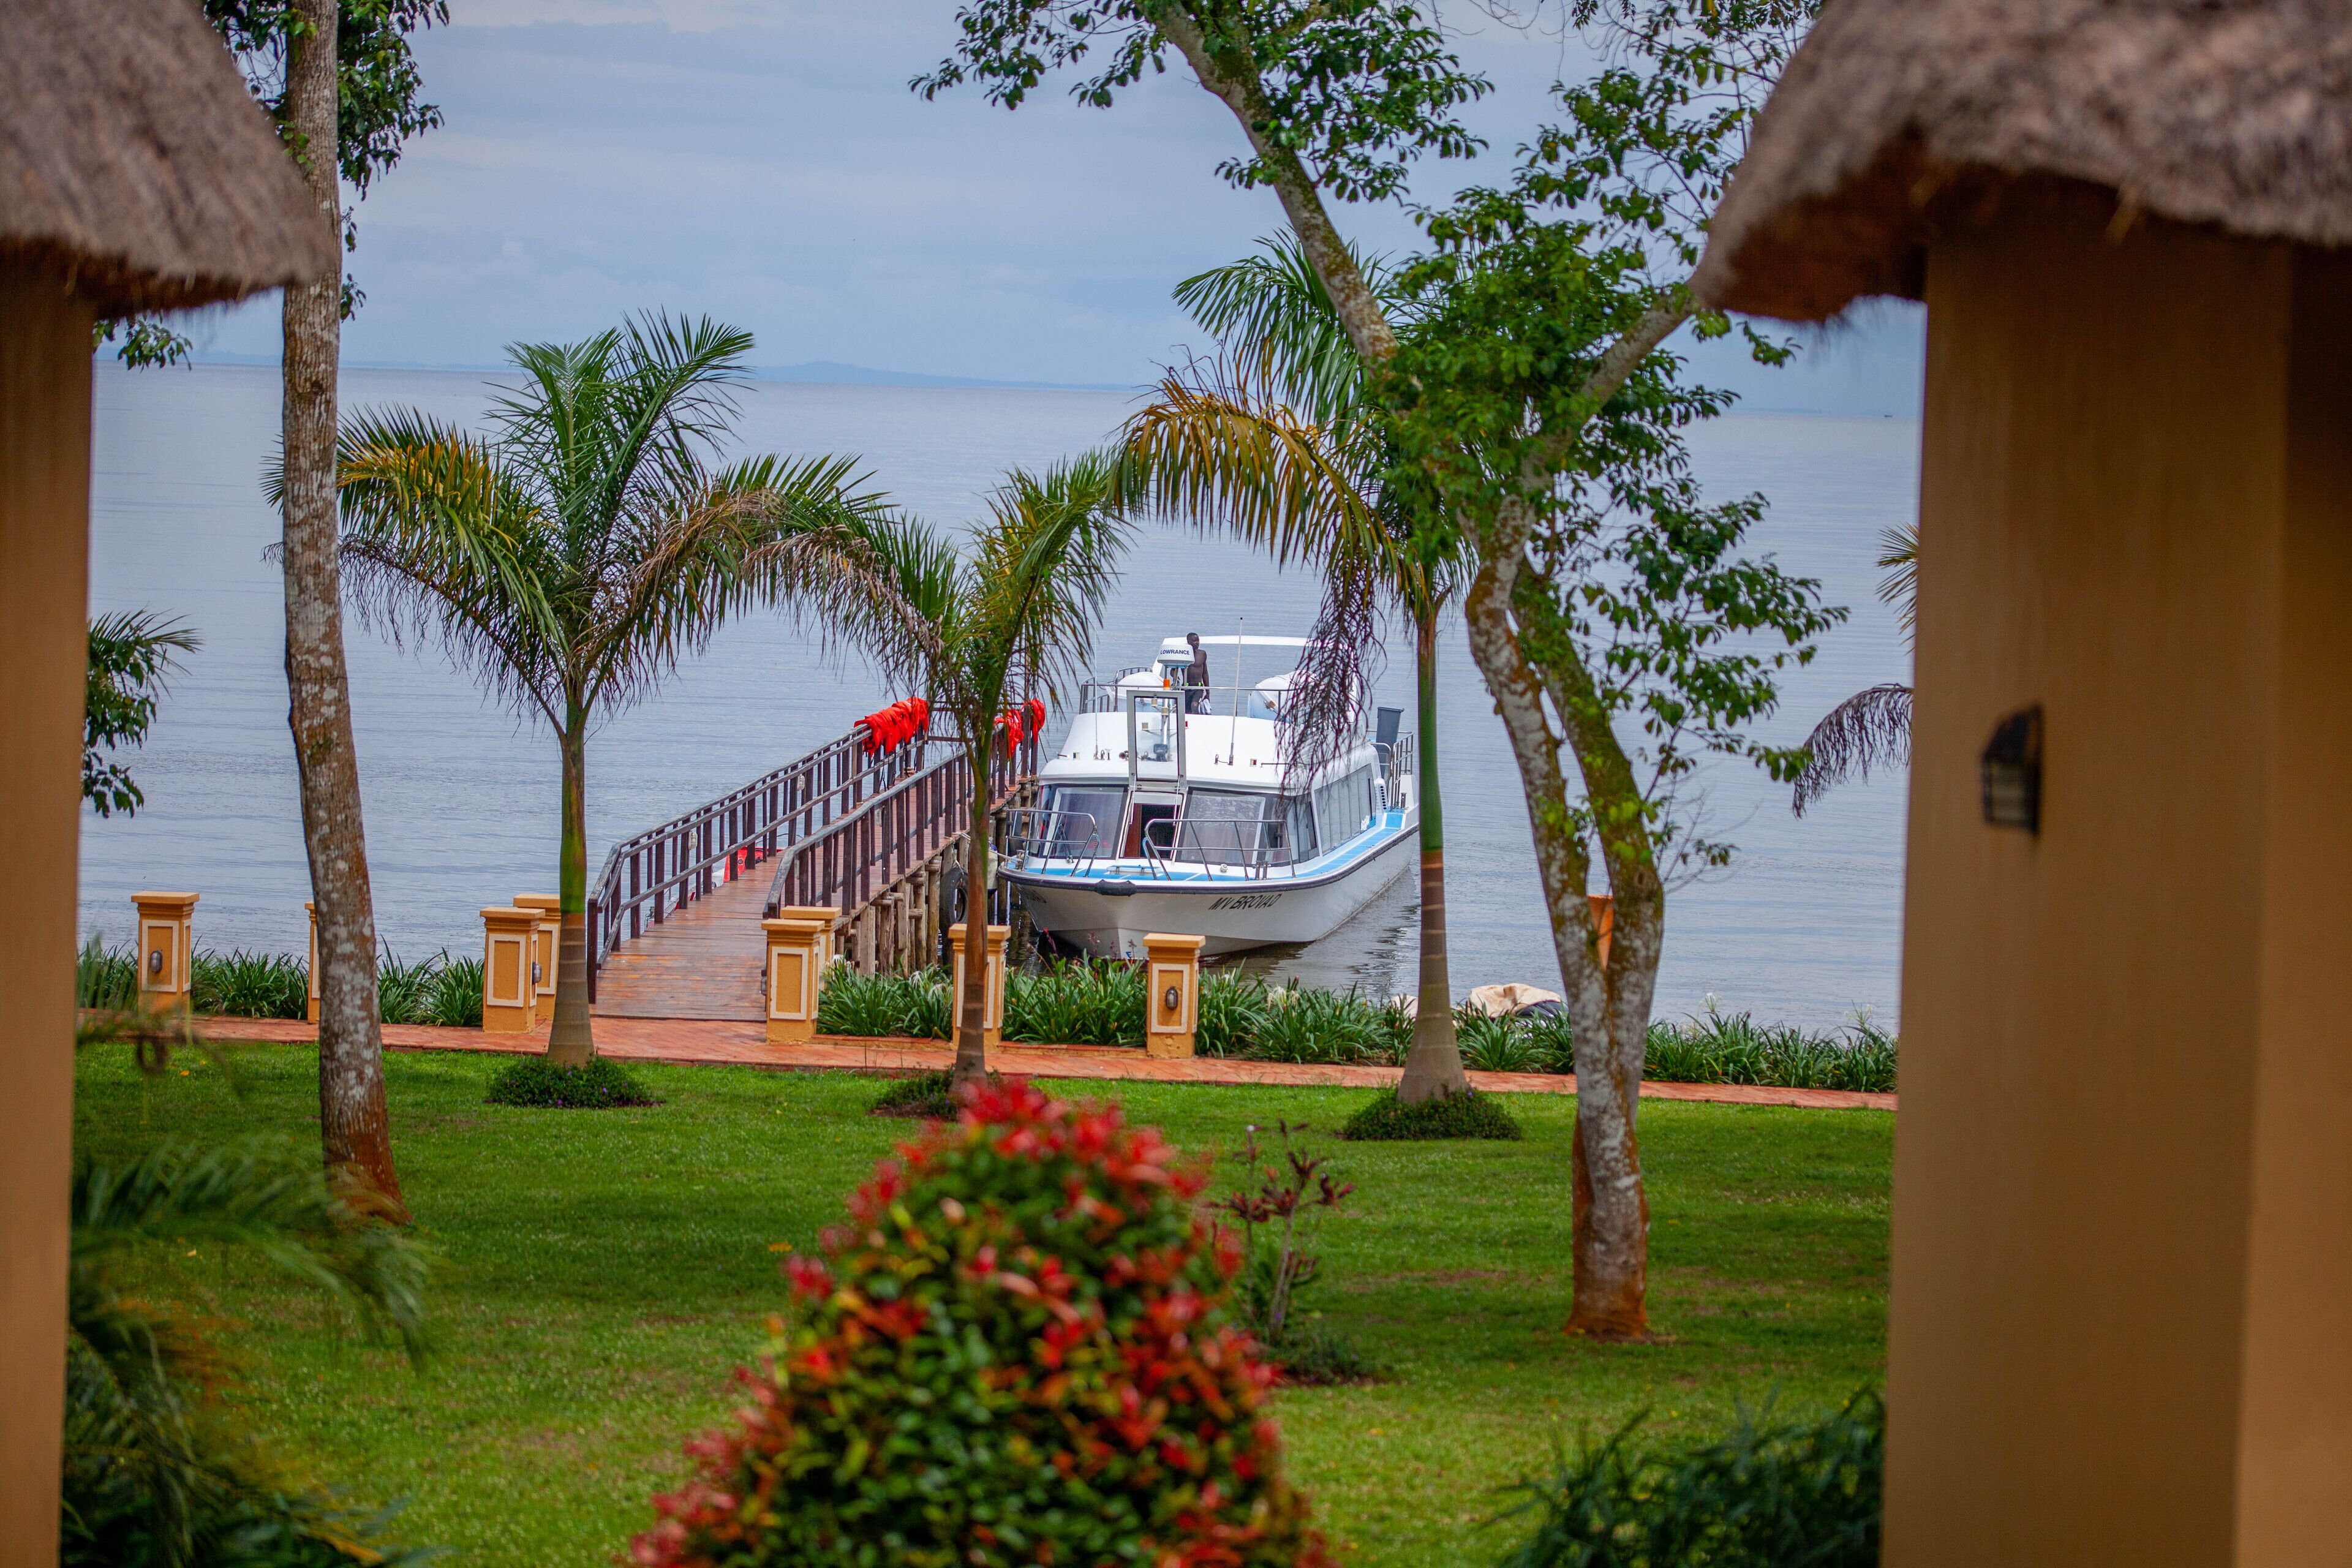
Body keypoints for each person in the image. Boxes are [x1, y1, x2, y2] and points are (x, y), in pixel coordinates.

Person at [1183, 631, 1211, 713]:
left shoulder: (1202, 654)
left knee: (1194, 706)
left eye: (1198, 640)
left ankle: (1198, 723)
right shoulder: (1183, 655)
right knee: (1186, 712)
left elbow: (1205, 673)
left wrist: (1208, 692)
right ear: (1189, 642)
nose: (1197, 642)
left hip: (1198, 688)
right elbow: (1174, 668)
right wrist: (1173, 673)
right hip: (1186, 688)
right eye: (1195, 641)